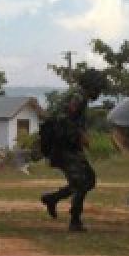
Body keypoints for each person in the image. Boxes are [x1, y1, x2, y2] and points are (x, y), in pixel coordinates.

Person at [39, 68, 106, 232]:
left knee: (86, 180)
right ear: (92, 85)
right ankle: (74, 221)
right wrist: (79, 135)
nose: (99, 91)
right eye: (98, 87)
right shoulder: (78, 96)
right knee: (83, 181)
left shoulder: (80, 96)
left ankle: (53, 199)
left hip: (67, 146)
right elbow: (63, 119)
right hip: (62, 147)